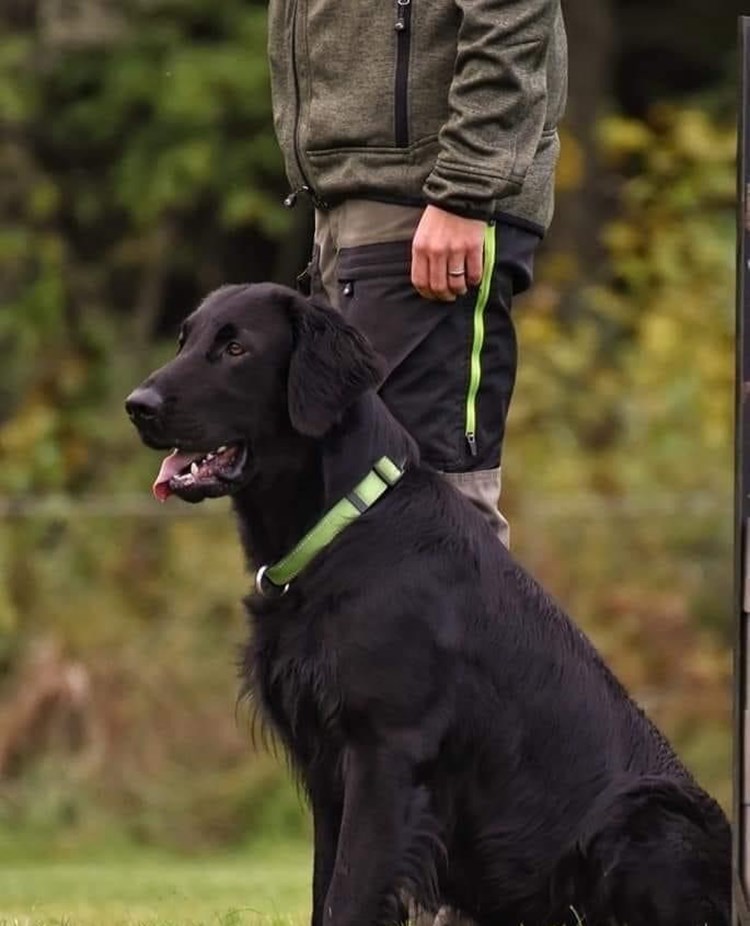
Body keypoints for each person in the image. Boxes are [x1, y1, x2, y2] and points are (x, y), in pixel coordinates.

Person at [266, 0, 568, 545]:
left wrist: (465, 186)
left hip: (432, 202)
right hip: (349, 198)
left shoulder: (453, 193)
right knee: (352, 523)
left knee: (434, 524)